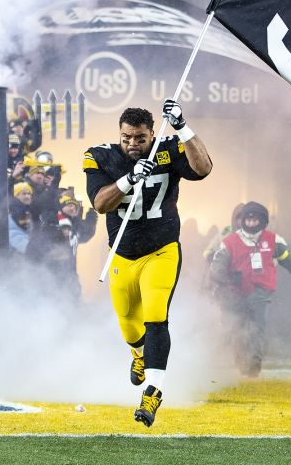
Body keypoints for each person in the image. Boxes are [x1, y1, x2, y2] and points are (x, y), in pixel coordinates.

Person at [83, 100, 212, 427]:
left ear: (152, 134)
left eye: (140, 138)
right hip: (122, 254)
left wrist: (183, 126)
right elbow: (100, 203)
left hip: (161, 250)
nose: (132, 144)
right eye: (127, 137)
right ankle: (138, 356)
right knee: (128, 323)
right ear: (119, 134)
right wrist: (128, 179)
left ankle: (153, 392)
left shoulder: (167, 150)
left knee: (155, 316)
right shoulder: (101, 155)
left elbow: (203, 168)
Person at [208, 201, 291, 377]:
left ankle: (254, 365)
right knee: (235, 327)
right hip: (234, 292)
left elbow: (288, 258)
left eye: (256, 219)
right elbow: (217, 266)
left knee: (257, 328)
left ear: (263, 221)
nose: (252, 223)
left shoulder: (273, 240)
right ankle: (240, 360)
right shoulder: (229, 241)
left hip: (260, 292)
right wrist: (227, 279)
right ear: (243, 220)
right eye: (249, 219)